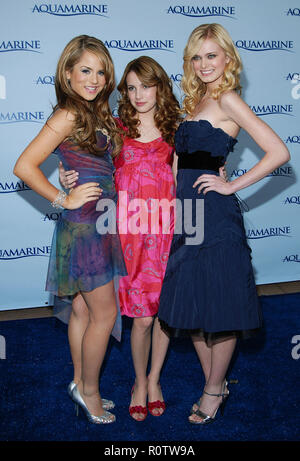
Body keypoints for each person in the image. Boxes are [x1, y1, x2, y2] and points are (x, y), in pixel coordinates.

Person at [157, 23, 290, 425]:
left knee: (221, 304)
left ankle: (214, 389)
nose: (203, 64)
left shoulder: (228, 99)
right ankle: (214, 381)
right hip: (187, 215)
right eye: (196, 57)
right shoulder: (194, 102)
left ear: (227, 59)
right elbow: (180, 163)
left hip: (214, 217)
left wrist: (230, 184)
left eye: (211, 55)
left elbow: (278, 152)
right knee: (192, 305)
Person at [60, 56, 183, 421]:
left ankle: (152, 380)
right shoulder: (115, 128)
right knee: (120, 315)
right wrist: (66, 179)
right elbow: (85, 164)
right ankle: (129, 383)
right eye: (130, 88)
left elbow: (185, 179)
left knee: (157, 315)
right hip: (121, 233)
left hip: (164, 231)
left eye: (145, 85)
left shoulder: (178, 128)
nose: (138, 94)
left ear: (160, 85)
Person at [13, 35, 127, 425]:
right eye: (85, 70)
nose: (94, 79)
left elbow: (90, 161)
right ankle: (91, 392)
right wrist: (64, 198)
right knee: (105, 315)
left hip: (99, 223)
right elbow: (24, 166)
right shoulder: (69, 114)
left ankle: (80, 382)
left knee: (82, 308)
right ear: (67, 73)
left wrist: (67, 178)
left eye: (100, 71)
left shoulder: (95, 113)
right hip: (85, 227)